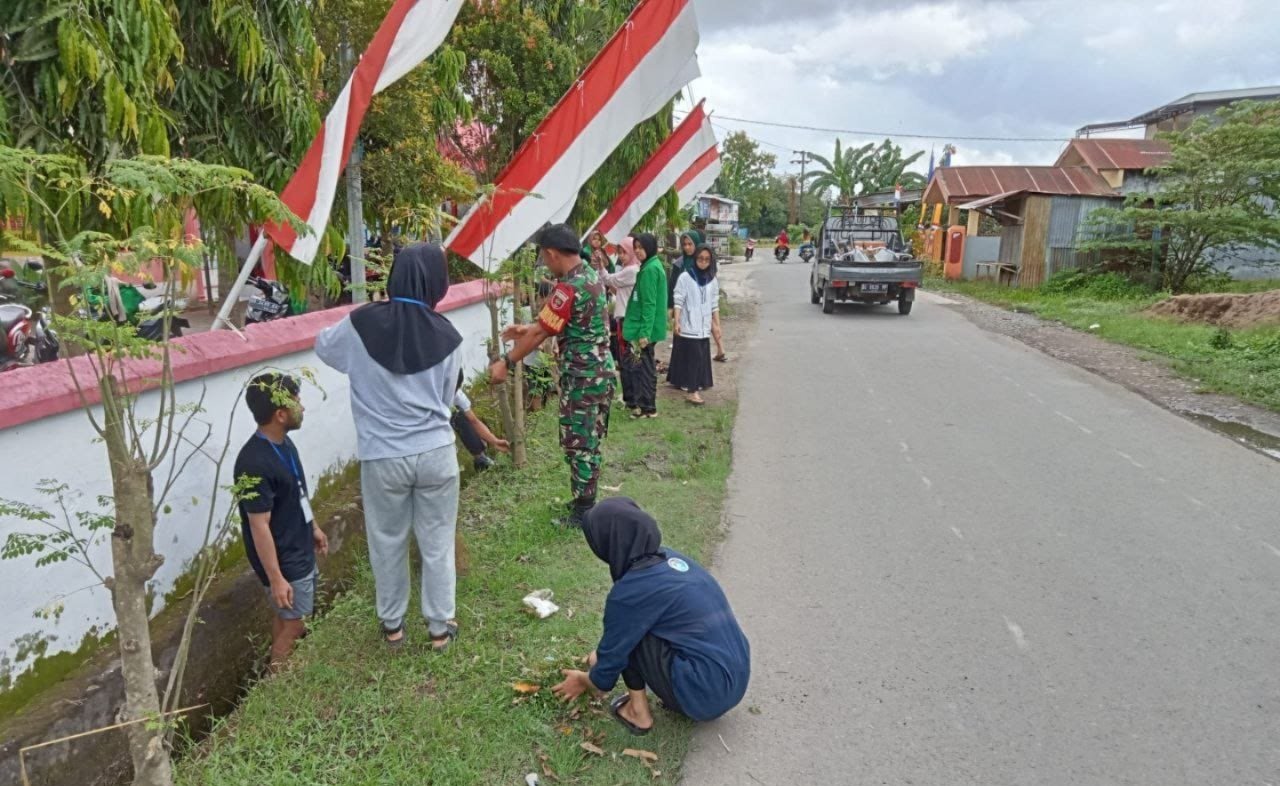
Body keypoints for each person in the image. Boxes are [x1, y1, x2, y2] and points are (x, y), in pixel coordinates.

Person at [315, 243, 464, 651]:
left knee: (387, 541)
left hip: (382, 456)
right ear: (438, 281)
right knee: (437, 540)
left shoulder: (359, 324)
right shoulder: (450, 335)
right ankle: (438, 629)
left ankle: (393, 627)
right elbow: (450, 395)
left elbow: (323, 347)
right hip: (436, 452)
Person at [551, 498, 751, 735]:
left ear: (609, 543)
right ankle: (680, 682)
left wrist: (585, 679)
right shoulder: (674, 560)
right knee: (634, 629)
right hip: (736, 677)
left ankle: (638, 713)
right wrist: (603, 655)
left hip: (706, 696)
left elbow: (604, 676)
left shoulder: (629, 595)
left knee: (632, 636)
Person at [491, 224, 615, 529]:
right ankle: (585, 501)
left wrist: (506, 361)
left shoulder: (568, 287)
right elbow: (556, 324)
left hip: (583, 377)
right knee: (589, 440)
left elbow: (540, 334)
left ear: (551, 253)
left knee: (579, 442)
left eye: (544, 259)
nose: (545, 265)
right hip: (600, 371)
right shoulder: (589, 275)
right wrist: (527, 330)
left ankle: (584, 512)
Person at [235, 373, 328, 671]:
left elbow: (298, 490)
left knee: (286, 616)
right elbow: (258, 525)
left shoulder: (284, 444)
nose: (303, 407)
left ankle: (279, 671)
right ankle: (277, 682)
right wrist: (276, 578)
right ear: (280, 414)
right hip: (284, 557)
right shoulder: (254, 462)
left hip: (298, 543)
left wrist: (312, 527)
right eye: (297, 401)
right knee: (296, 623)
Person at [668, 246, 723, 405]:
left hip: (704, 328)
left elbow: (714, 305)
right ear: (695, 259)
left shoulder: (712, 279)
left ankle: (695, 387)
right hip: (689, 326)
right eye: (700, 259)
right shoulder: (686, 277)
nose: (703, 263)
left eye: (707, 259)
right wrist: (677, 321)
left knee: (700, 359)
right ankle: (692, 392)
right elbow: (678, 300)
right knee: (694, 358)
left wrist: (717, 326)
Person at [622, 233, 667, 420]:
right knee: (644, 366)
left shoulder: (649, 270)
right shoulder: (650, 266)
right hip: (646, 327)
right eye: (636, 248)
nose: (638, 251)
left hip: (645, 328)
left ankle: (646, 407)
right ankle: (646, 406)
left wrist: (644, 334)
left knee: (643, 368)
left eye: (641, 247)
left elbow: (649, 304)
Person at [601, 235, 640, 410]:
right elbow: (618, 290)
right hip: (625, 317)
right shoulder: (633, 269)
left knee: (626, 360)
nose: (621, 256)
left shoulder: (631, 270)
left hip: (625, 318)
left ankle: (630, 398)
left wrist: (601, 267)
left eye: (624, 252)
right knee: (626, 359)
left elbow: (609, 279)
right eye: (620, 252)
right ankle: (630, 396)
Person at [451, 371, 510, 472]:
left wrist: (494, 441)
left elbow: (473, 420)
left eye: (456, 389)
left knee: (459, 415)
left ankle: (480, 458)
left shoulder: (457, 395)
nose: (454, 392)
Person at [667, 229, 703, 307]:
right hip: (682, 308)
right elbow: (672, 286)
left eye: (690, 244)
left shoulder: (703, 263)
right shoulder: (679, 263)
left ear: (696, 244)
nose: (687, 247)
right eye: (684, 244)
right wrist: (670, 306)